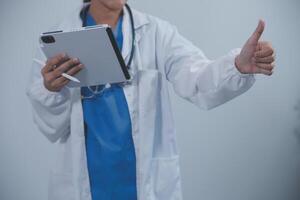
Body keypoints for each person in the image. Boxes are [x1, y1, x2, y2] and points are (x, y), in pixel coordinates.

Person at [27, 0, 275, 199]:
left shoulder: (157, 33)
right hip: (86, 181)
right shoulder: (58, 39)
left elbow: (196, 78)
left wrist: (237, 66)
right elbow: (50, 126)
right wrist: (51, 90)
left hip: (144, 184)